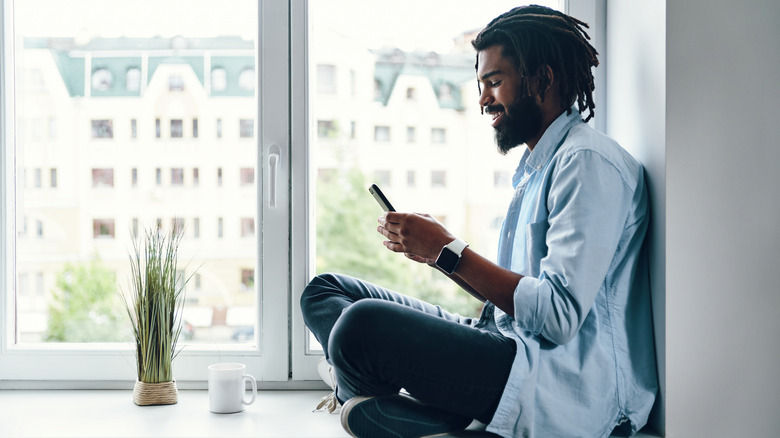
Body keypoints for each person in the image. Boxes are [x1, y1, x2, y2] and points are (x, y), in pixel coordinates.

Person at [301, 5, 658, 438]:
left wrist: (448, 251)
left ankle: (378, 399)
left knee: (360, 327)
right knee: (324, 292)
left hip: (553, 383)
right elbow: (516, 298)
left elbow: (559, 316)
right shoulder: (539, 166)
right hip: (504, 340)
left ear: (542, 79)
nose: (483, 99)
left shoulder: (587, 163)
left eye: (494, 82)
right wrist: (436, 254)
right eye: (481, 84)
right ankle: (422, 415)